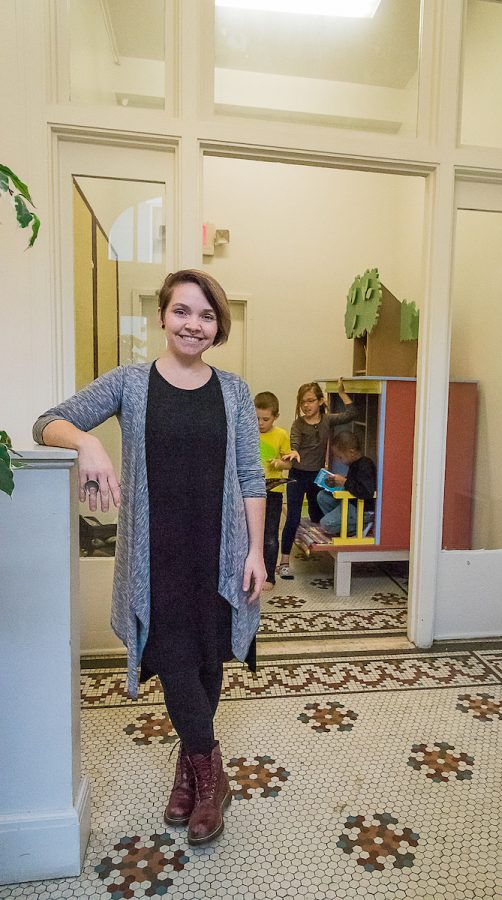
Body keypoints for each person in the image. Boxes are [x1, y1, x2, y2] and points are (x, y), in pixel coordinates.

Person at [32, 269, 266, 847]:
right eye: (183, 311)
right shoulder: (130, 383)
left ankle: (189, 775)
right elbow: (47, 423)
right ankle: (211, 775)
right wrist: (88, 443)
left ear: (218, 325)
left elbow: (249, 476)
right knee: (174, 656)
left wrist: (258, 551)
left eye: (206, 314)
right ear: (162, 317)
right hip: (155, 560)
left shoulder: (233, 391)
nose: (193, 324)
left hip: (220, 553)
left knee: (208, 659)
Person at [278, 379, 357, 579]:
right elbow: (294, 441)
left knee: (316, 514)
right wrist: (294, 451)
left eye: (311, 400)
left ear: (321, 401)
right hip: (297, 475)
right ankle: (284, 562)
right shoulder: (298, 424)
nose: (306, 405)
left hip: (316, 476)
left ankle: (317, 551)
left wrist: (342, 395)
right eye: (303, 402)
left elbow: (351, 414)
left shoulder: (327, 420)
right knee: (293, 518)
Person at [254, 391, 292, 592]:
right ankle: (251, 573)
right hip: (250, 490)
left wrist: (280, 462)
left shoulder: (281, 435)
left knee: (270, 534)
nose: (260, 423)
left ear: (275, 416)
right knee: (249, 534)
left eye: (265, 419)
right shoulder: (247, 431)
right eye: (256, 418)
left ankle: (269, 576)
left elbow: (288, 465)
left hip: (274, 491)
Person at [316, 430, 376, 536]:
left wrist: (344, 482)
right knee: (322, 496)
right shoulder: (354, 464)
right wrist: (338, 481)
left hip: (362, 509)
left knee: (325, 524)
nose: (339, 460)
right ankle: (342, 525)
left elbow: (366, 492)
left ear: (351, 452)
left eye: (340, 457)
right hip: (351, 503)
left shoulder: (365, 465)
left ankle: (360, 526)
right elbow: (355, 481)